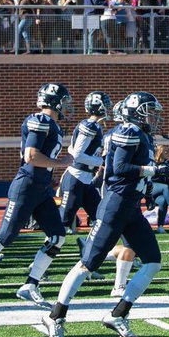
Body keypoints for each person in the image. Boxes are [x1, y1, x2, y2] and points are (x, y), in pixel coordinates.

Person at [40, 92, 165, 337]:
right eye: (148, 110)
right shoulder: (128, 132)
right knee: (88, 264)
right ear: (135, 112)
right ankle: (55, 315)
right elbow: (119, 168)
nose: (153, 116)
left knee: (152, 261)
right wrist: (149, 170)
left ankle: (118, 314)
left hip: (131, 207)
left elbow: (137, 174)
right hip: (115, 207)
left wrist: (149, 189)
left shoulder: (143, 136)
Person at [0, 84, 74, 312]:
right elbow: (31, 156)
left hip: (41, 187)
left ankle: (30, 284)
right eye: (63, 102)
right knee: (5, 235)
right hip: (27, 185)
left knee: (57, 236)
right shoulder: (41, 121)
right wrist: (60, 163)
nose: (66, 107)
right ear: (53, 102)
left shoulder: (51, 124)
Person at [59, 92, 111, 233]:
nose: (108, 107)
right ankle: (47, 253)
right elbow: (77, 154)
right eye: (105, 104)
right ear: (98, 106)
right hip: (76, 178)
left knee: (101, 218)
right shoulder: (90, 126)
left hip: (86, 179)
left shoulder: (96, 126)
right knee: (62, 224)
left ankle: (93, 251)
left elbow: (74, 149)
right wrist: (101, 160)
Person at [148, 144, 169, 233]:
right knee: (165, 187)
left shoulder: (168, 163)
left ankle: (160, 226)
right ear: (160, 152)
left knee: (163, 201)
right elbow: (153, 177)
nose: (167, 153)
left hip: (163, 191)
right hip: (152, 187)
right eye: (165, 151)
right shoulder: (152, 163)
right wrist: (168, 178)